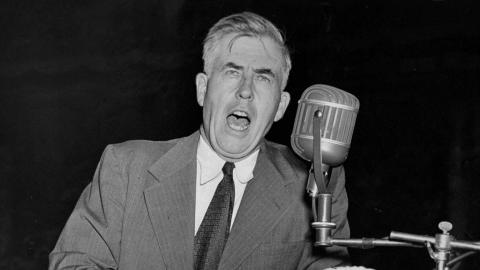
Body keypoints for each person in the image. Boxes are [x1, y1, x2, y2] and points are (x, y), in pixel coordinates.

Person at [49, 11, 350, 270]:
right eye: (232, 72)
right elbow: (75, 263)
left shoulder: (315, 184)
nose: (245, 91)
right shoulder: (126, 167)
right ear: (203, 89)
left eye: (263, 77)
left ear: (281, 106)